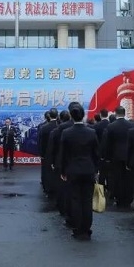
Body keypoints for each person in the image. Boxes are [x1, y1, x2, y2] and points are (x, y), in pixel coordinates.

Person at [58, 103, 100, 240]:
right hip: (88, 170)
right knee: (87, 201)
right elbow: (96, 154)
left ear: (71, 115)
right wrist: (96, 170)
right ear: (83, 115)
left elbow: (63, 154)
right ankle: (87, 229)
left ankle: (77, 229)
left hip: (72, 171)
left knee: (75, 199)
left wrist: (63, 171)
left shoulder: (66, 133)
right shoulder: (91, 132)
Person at [101, 106, 134, 208]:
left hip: (115, 156)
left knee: (117, 178)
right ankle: (128, 198)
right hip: (128, 155)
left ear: (115, 113)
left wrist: (106, 157)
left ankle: (119, 198)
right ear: (124, 113)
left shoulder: (111, 126)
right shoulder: (131, 125)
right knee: (128, 178)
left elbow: (107, 143)